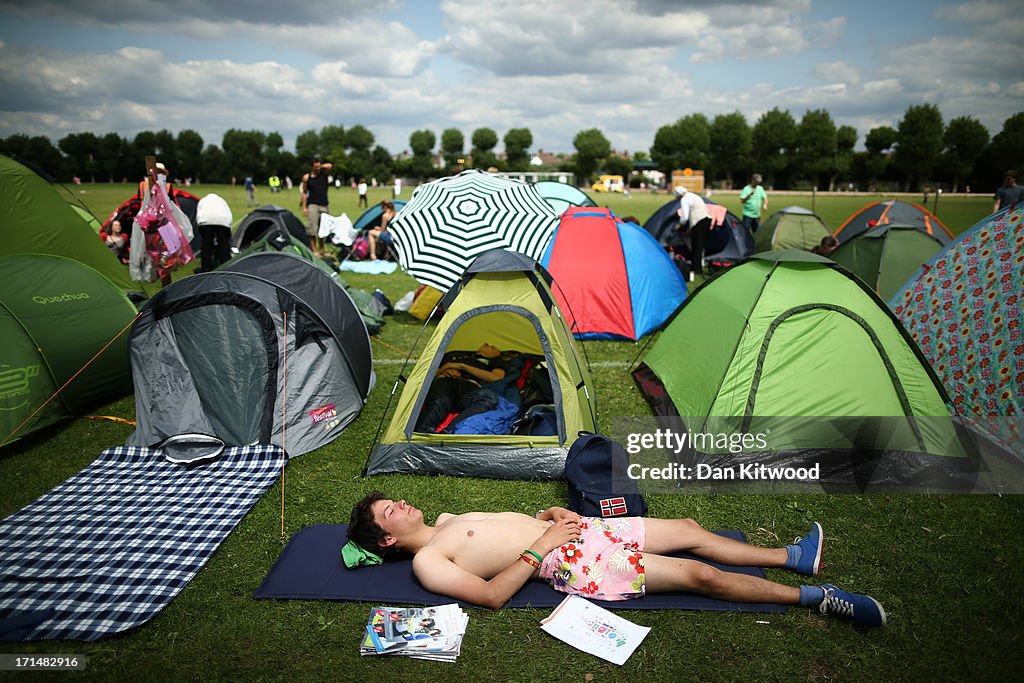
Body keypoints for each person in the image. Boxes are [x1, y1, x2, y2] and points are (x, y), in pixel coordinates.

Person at [347, 493, 887, 628]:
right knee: (698, 574)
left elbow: (510, 524)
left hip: (575, 529)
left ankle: (793, 556)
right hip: (571, 559)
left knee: (691, 531)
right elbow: (490, 596)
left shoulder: (447, 520)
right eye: (391, 510)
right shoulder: (429, 562)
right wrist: (545, 543)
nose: (402, 504)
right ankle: (818, 599)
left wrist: (550, 516)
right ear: (388, 539)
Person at [415, 343, 520, 433]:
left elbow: (495, 378)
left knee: (488, 397)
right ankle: (421, 432)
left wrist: (462, 366)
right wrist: (444, 370)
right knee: (441, 401)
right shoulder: (454, 354)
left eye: (492, 347)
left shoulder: (495, 361)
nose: (486, 344)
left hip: (470, 387)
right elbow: (426, 372)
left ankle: (449, 431)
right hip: (446, 380)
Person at [674, 186, 712, 277]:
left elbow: (685, 217)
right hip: (706, 219)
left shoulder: (684, 199)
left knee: (696, 246)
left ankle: (697, 269)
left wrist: (679, 225)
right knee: (699, 245)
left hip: (699, 221)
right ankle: (698, 266)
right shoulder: (692, 195)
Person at [301, 159, 333, 256]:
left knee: (322, 229)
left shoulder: (324, 174)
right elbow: (304, 193)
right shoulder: (307, 177)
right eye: (316, 166)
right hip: (313, 205)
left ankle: (322, 250)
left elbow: (330, 165)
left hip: (324, 205)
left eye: (319, 166)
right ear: (312, 167)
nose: (318, 168)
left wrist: (320, 166)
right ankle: (315, 251)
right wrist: (304, 207)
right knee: (312, 229)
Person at [195, 193, 233, 272]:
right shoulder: (222, 201)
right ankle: (225, 265)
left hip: (205, 221)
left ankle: (206, 267)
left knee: (206, 244)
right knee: (223, 243)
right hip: (222, 221)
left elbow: (198, 215)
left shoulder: (203, 201)